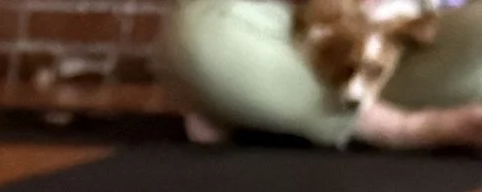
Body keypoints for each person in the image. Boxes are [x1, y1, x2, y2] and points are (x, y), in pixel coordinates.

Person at [162, 0, 482, 145]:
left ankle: (265, 112)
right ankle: (400, 127)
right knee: (201, 31)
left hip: (421, 44)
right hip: (300, 45)